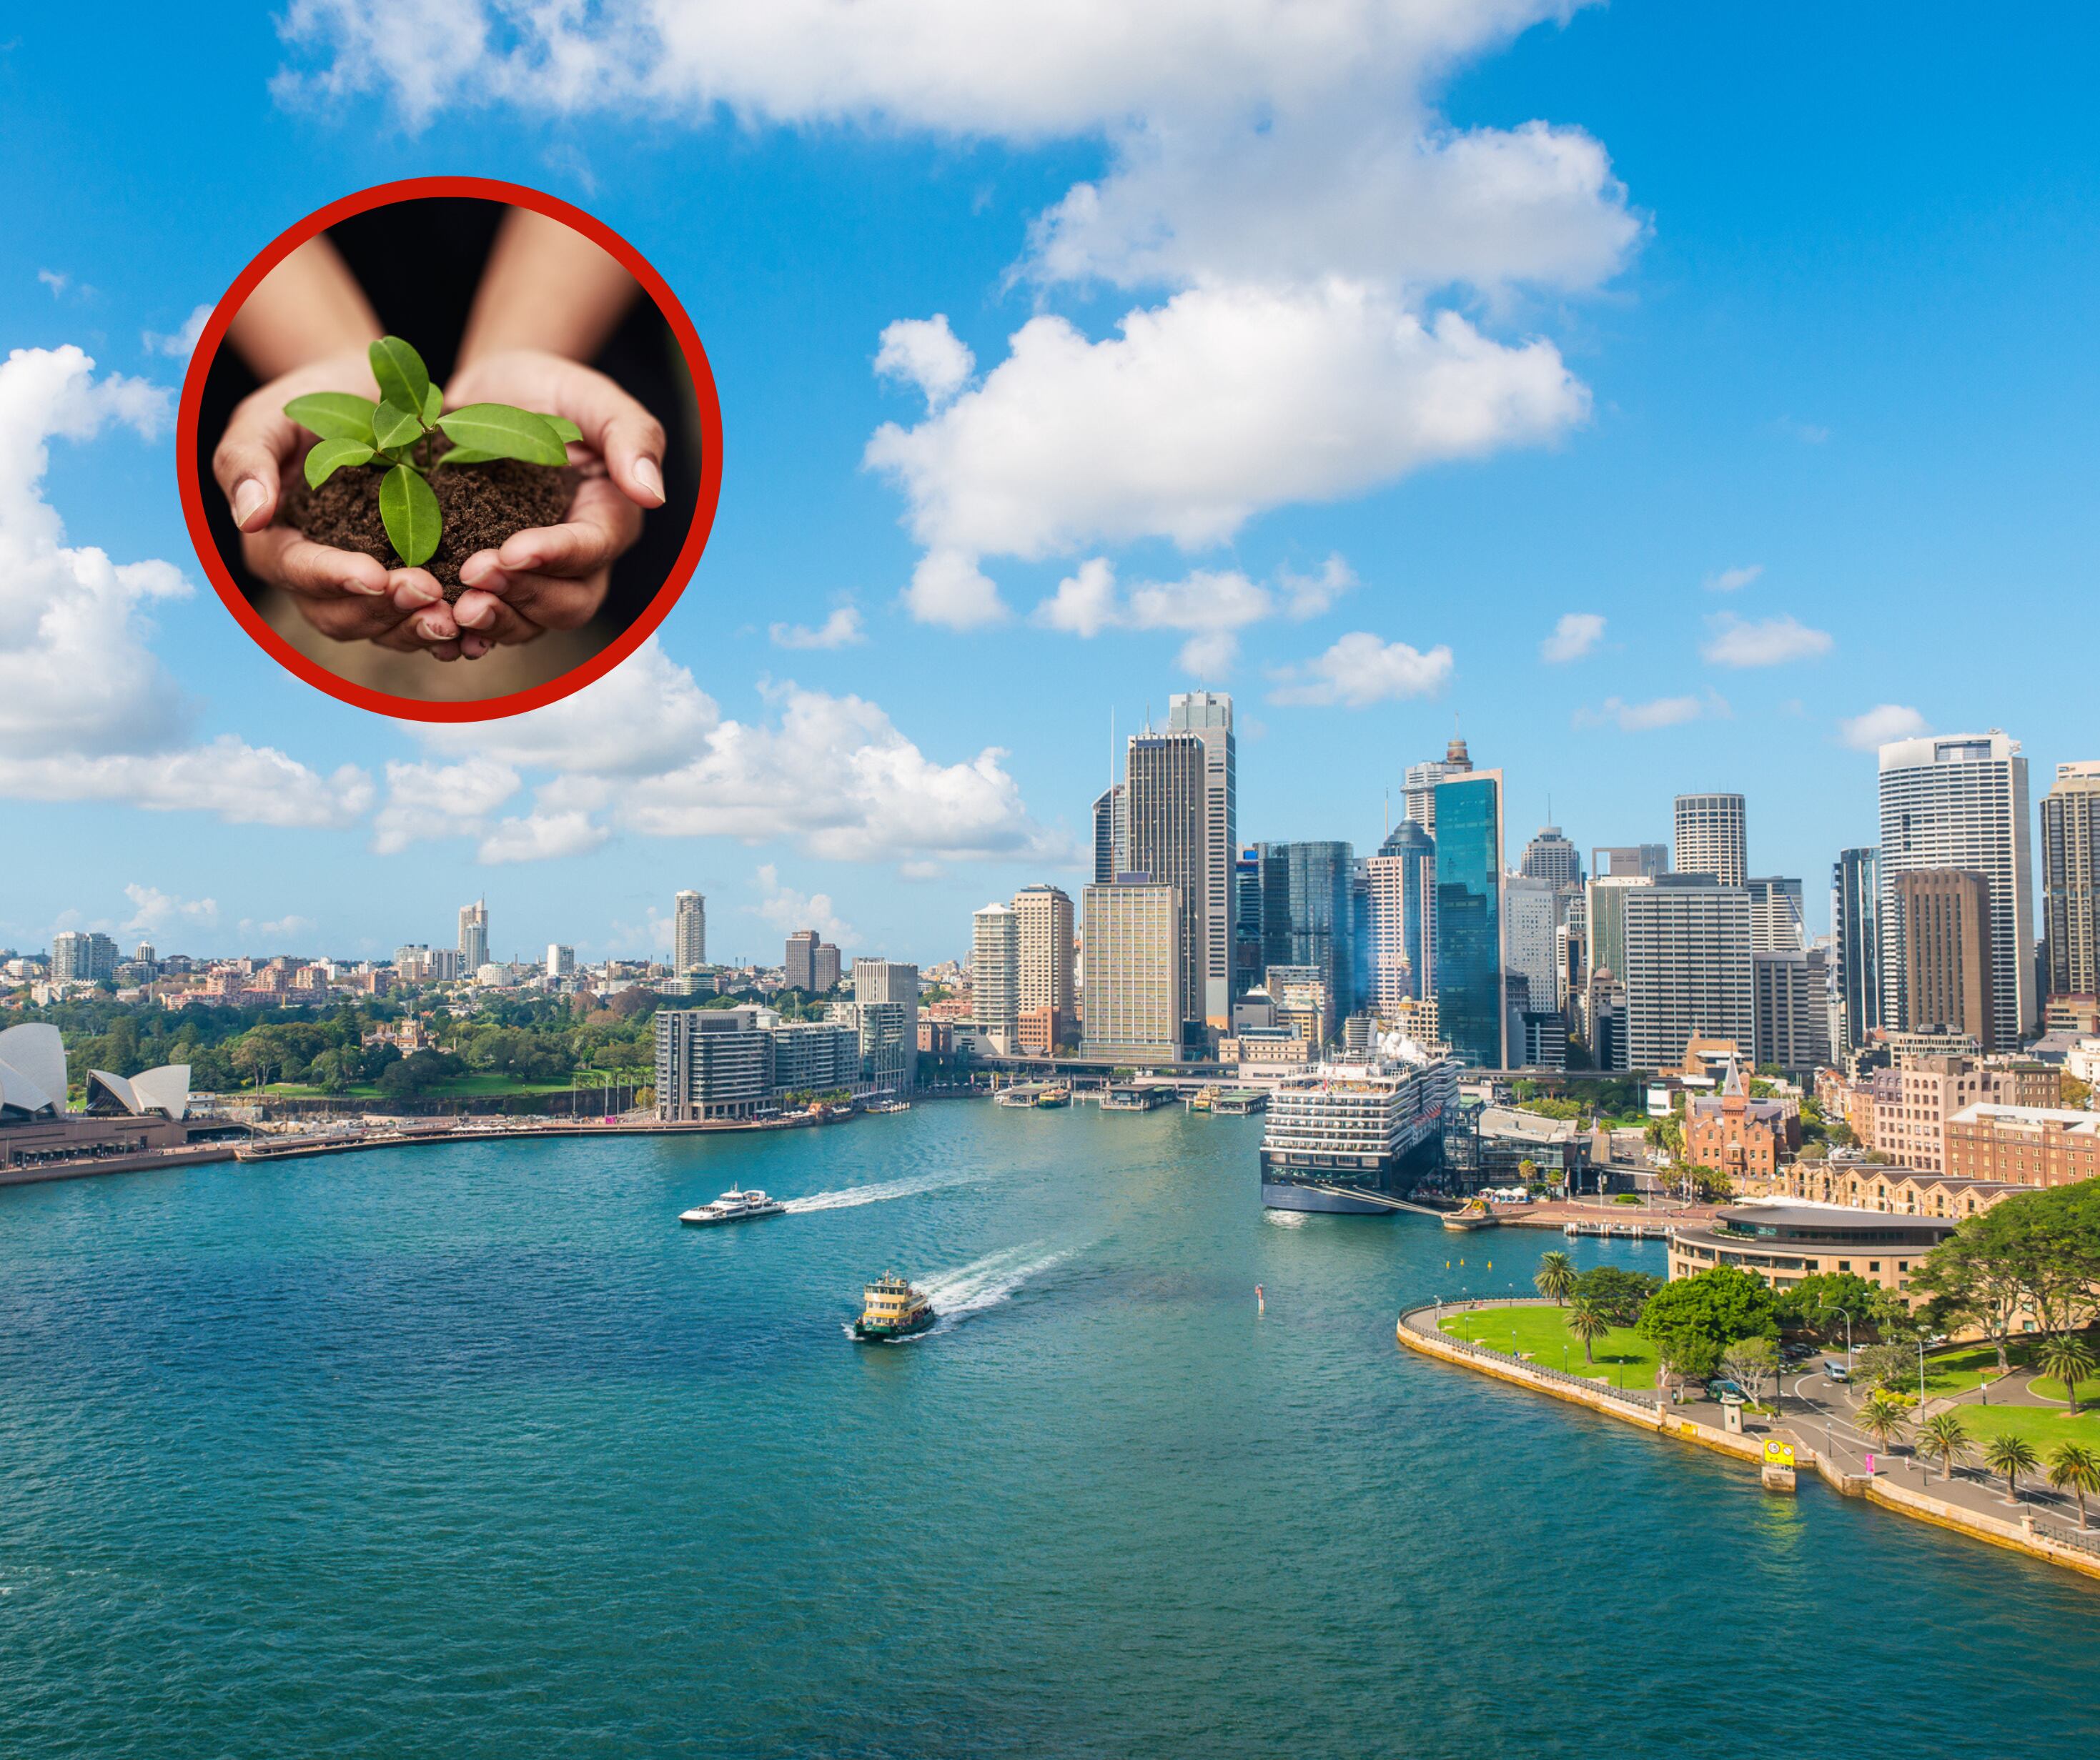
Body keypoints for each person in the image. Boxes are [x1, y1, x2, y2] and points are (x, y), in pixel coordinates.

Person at [209, 204, 679, 699]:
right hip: (282, 310)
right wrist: (323, 356)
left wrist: (522, 347)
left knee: (623, 598)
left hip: (570, 299)